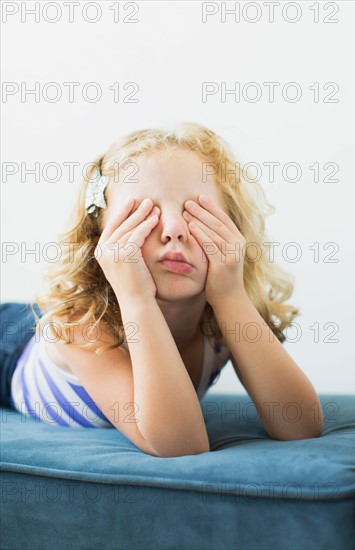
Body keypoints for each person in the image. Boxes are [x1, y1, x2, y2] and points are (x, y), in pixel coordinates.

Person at [0, 122, 323, 457]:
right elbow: (182, 446)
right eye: (145, 213)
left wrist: (230, 297)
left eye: (193, 210)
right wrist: (135, 297)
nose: (173, 230)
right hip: (13, 343)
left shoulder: (226, 319)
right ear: (101, 239)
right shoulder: (81, 326)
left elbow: (301, 426)